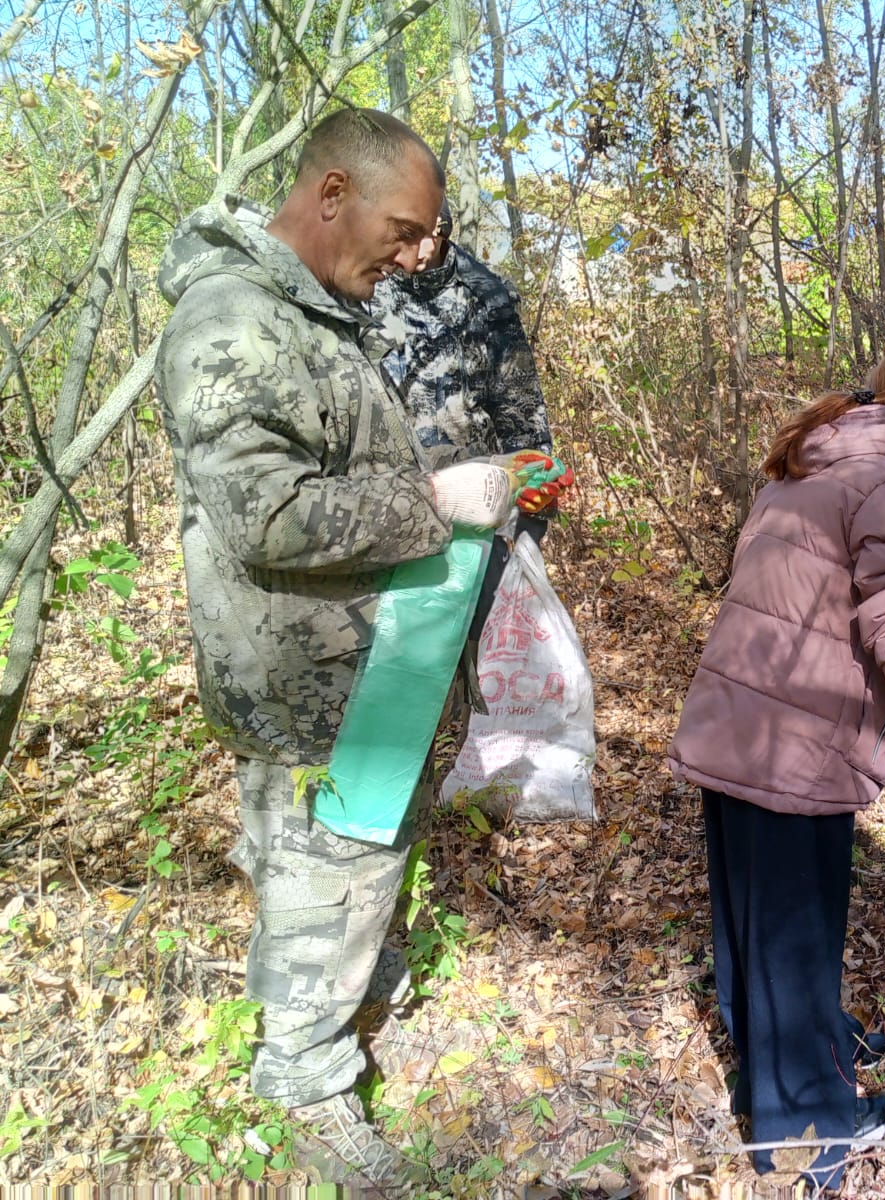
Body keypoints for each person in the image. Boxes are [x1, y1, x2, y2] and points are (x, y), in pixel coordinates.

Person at [155, 107, 539, 1185]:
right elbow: (267, 516)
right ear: (332, 195)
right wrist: (435, 505)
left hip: (361, 668)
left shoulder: (315, 315)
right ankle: (306, 1078)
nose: (420, 257)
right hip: (302, 683)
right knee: (322, 874)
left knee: (354, 865)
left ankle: (355, 987)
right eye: (406, 229)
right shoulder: (232, 322)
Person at [668, 340, 885, 1193]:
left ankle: (779, 1062)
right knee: (796, 933)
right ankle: (806, 1131)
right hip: (794, 741)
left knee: (752, 923)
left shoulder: (815, 456)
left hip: (739, 720)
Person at [370, 199, 561, 636]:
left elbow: (521, 412)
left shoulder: (486, 298)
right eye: (405, 235)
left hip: (473, 519)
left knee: (474, 657)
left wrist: (531, 517)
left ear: (442, 232)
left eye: (427, 235)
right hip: (389, 507)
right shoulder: (371, 284)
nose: (415, 252)